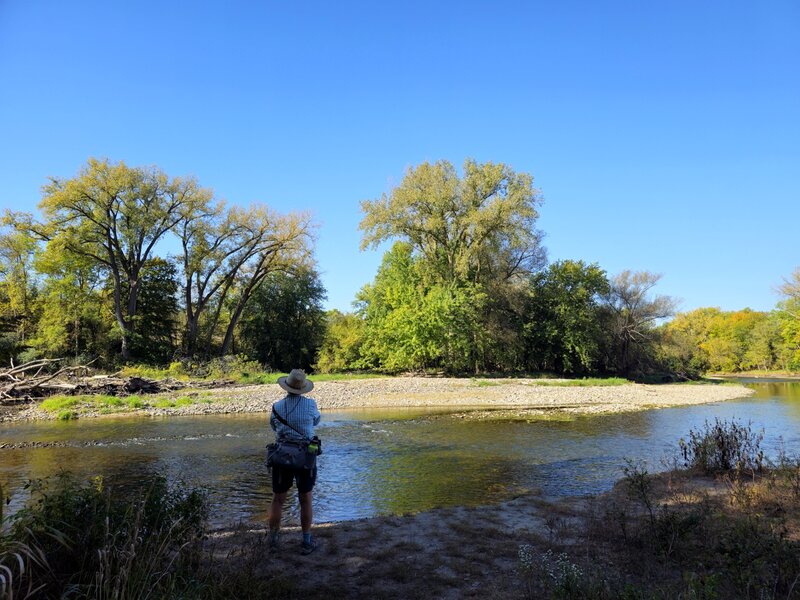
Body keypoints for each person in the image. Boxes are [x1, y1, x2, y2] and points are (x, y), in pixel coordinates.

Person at [268, 369, 321, 555]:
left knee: (278, 499)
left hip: (282, 456)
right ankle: (306, 541)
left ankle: (273, 541)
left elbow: (274, 426)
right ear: (303, 388)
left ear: (286, 386)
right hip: (305, 456)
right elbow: (316, 421)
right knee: (305, 498)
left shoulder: (276, 406)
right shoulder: (311, 405)